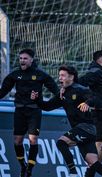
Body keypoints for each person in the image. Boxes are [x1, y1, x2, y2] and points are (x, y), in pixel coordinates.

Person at [31, 65, 102, 177]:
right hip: (84, 131)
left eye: (63, 75)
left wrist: (87, 103)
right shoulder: (62, 94)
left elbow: (94, 98)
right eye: (59, 75)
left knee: (61, 143)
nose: (60, 78)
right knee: (93, 163)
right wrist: (37, 99)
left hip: (86, 128)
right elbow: (47, 106)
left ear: (71, 77)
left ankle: (73, 173)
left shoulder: (80, 89)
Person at [0, 49, 59, 177]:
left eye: (25, 58)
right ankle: (22, 166)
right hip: (20, 111)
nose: (22, 60)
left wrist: (63, 98)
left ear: (31, 60)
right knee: (17, 141)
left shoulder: (40, 74)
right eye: (20, 58)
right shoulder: (14, 75)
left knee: (33, 139)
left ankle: (29, 170)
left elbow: (55, 89)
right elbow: (3, 91)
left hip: (34, 111)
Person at [78, 50, 102, 176]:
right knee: (100, 145)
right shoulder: (95, 72)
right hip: (99, 113)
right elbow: (81, 83)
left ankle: (91, 172)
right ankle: (89, 173)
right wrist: (89, 101)